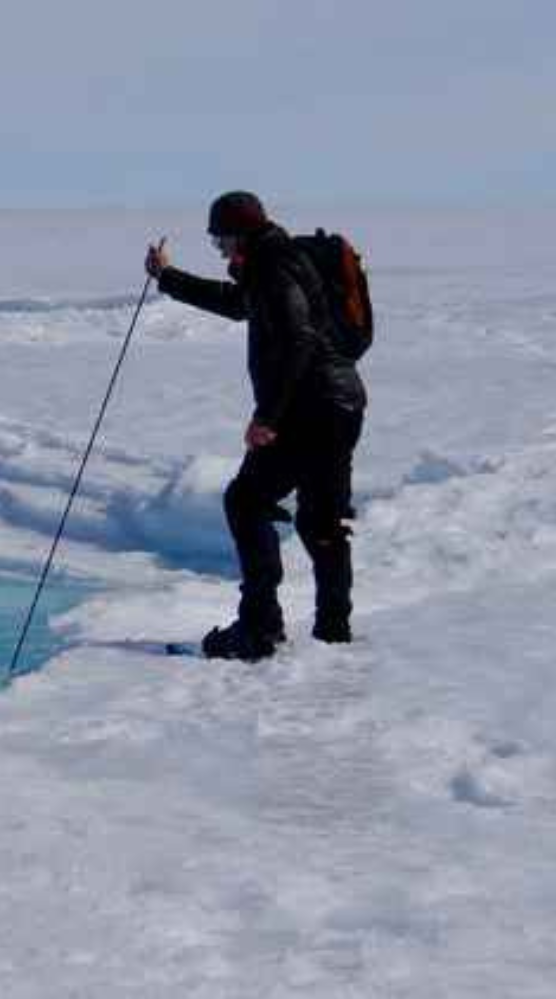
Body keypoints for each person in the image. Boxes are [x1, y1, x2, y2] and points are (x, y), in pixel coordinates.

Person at [144, 191, 366, 660]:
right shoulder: (278, 261)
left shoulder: (273, 267)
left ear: (237, 234)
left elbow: (298, 339)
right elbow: (237, 302)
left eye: (220, 241)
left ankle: (259, 629)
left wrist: (268, 417)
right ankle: (333, 633)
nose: (221, 251)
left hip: (310, 407)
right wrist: (167, 277)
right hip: (341, 402)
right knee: (319, 519)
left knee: (246, 500)